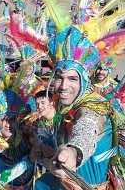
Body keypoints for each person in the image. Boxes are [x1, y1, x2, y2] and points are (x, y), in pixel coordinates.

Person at [35, 26, 117, 189]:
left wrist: (74, 153)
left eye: (73, 78)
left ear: (84, 81)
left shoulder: (93, 108)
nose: (64, 86)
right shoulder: (63, 104)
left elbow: (87, 129)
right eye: (59, 78)